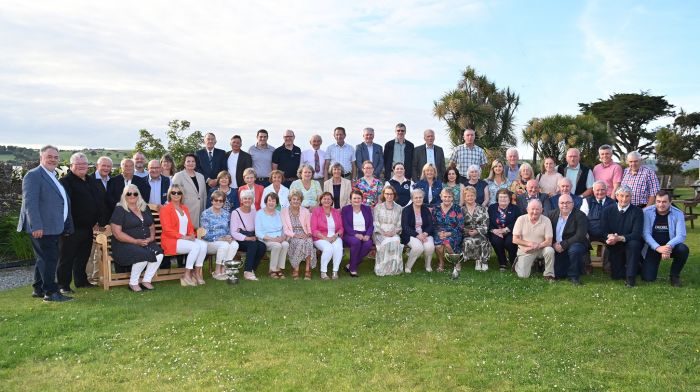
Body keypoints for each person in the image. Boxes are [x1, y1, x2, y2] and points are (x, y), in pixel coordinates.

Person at [18, 145, 74, 302]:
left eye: (56, 157)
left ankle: (39, 289)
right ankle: (51, 293)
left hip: (53, 226)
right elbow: (30, 203)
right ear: (41, 157)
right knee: (49, 259)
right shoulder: (34, 175)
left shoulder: (51, 175)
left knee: (43, 258)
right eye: (49, 156)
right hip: (42, 227)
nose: (53, 160)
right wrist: (36, 225)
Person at [58, 152, 106, 292]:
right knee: (67, 258)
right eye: (78, 164)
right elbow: (64, 206)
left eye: (84, 164)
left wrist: (99, 220)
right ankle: (63, 285)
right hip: (71, 228)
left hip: (88, 227)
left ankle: (81, 281)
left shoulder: (90, 180)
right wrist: (67, 226)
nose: (82, 167)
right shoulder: (65, 182)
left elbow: (99, 201)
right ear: (71, 165)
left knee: (83, 256)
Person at [109, 184, 164, 292]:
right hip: (124, 244)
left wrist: (151, 237)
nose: (132, 195)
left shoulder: (144, 208)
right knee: (142, 255)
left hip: (145, 242)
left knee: (159, 254)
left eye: (135, 193)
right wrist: (135, 241)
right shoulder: (120, 209)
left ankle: (146, 280)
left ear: (138, 195)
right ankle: (133, 283)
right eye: (129, 193)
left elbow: (152, 226)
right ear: (124, 195)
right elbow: (117, 234)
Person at [160, 184, 208, 286]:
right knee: (195, 247)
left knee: (204, 245)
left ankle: (197, 273)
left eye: (179, 193)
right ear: (169, 194)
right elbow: (167, 229)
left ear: (182, 195)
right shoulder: (165, 209)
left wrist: (191, 235)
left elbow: (189, 226)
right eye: (173, 192)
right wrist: (184, 237)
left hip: (185, 239)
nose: (176, 195)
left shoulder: (184, 208)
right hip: (172, 241)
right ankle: (187, 275)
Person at [642, 191, 688, 287]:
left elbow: (681, 235)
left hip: (671, 247)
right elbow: (645, 234)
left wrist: (668, 246)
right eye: (658, 201)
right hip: (653, 248)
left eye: (664, 202)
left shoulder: (678, 214)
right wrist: (658, 247)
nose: (660, 204)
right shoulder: (646, 212)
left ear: (670, 202)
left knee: (683, 249)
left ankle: (674, 275)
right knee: (648, 278)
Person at [601, 185, 644, 287]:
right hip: (614, 244)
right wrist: (610, 237)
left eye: (627, 196)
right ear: (616, 196)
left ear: (631, 197)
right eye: (621, 196)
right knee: (617, 276)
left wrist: (620, 238)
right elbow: (603, 230)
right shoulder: (607, 210)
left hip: (630, 242)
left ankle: (630, 278)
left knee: (634, 245)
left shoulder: (638, 212)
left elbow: (637, 233)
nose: (624, 199)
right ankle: (636, 267)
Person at [546, 194, 589, 285]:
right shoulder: (551, 214)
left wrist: (563, 244)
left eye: (568, 203)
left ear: (573, 204)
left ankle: (574, 276)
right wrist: (553, 244)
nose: (565, 205)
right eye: (562, 203)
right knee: (558, 274)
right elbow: (546, 232)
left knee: (575, 250)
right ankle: (570, 269)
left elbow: (580, 235)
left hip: (574, 243)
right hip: (556, 245)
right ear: (558, 204)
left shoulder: (580, 215)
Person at [200, 190, 239, 281]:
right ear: (212, 201)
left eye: (221, 201)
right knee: (224, 245)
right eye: (216, 200)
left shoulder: (226, 214)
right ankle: (217, 271)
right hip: (209, 242)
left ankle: (225, 269)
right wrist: (220, 238)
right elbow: (204, 234)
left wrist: (229, 237)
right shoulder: (206, 214)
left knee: (235, 244)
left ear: (223, 202)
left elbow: (228, 230)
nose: (218, 202)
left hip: (223, 240)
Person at [512, 199, 555, 279]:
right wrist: (530, 244)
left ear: (542, 210)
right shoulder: (521, 219)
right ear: (527, 209)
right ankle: (517, 264)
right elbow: (515, 239)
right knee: (523, 276)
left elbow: (549, 241)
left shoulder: (546, 220)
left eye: (537, 209)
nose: (535, 212)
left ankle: (549, 274)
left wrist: (537, 246)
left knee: (550, 250)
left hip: (541, 248)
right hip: (526, 249)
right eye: (532, 209)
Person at [230, 190, 266, 281]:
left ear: (252, 200)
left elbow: (258, 226)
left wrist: (256, 235)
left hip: (252, 237)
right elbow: (233, 232)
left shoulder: (255, 212)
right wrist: (247, 238)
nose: (247, 200)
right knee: (253, 244)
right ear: (241, 200)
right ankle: (247, 271)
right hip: (240, 239)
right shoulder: (235, 213)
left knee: (262, 246)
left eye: (249, 198)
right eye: (245, 198)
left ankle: (252, 268)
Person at [281, 190, 316, 280]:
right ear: (290, 200)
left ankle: (307, 269)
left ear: (301, 201)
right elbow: (285, 229)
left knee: (308, 242)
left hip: (304, 233)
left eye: (298, 199)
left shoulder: (305, 211)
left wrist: (308, 234)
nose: (296, 201)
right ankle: (296, 268)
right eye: (294, 199)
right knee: (300, 242)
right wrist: (296, 235)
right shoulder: (284, 212)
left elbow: (309, 225)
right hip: (291, 235)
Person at [311, 192, 344, 280]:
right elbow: (313, 229)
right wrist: (326, 238)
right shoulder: (316, 211)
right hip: (320, 237)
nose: (326, 200)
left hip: (334, 236)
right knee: (328, 248)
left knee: (338, 248)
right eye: (324, 198)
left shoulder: (336, 212)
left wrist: (336, 236)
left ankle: (335, 271)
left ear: (332, 201)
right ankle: (323, 272)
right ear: (321, 200)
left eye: (329, 199)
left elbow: (341, 227)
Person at [255, 192, 289, 279]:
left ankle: (279, 268)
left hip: (278, 238)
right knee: (277, 246)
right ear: (266, 202)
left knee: (285, 244)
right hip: (266, 239)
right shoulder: (259, 213)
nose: (271, 202)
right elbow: (258, 232)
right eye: (269, 200)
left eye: (273, 201)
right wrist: (273, 239)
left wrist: (282, 237)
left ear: (276, 203)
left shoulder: (279, 213)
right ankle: (272, 270)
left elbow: (283, 229)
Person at [400, 189, 435, 273]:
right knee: (418, 248)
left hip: (425, 233)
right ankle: (408, 266)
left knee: (429, 247)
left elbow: (430, 225)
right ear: (412, 199)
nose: (418, 199)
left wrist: (425, 233)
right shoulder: (406, 210)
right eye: (416, 198)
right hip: (410, 234)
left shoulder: (426, 210)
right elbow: (405, 226)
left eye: (420, 197)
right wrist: (417, 235)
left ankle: (427, 265)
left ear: (423, 198)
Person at [341, 190, 374, 277]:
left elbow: (371, 224)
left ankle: (351, 264)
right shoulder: (345, 209)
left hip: (365, 234)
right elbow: (345, 225)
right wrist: (355, 234)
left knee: (368, 244)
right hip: (350, 234)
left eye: (359, 198)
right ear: (350, 200)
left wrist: (368, 235)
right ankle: (353, 269)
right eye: (354, 198)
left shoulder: (367, 209)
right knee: (356, 242)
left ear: (362, 199)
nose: (356, 200)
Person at [372, 186, 403, 276]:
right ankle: (383, 269)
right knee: (386, 241)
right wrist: (383, 233)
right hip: (380, 232)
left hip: (394, 232)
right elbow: (376, 223)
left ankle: (393, 268)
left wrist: (393, 232)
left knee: (396, 240)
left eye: (391, 194)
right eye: (387, 194)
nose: (389, 196)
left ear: (394, 195)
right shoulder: (378, 207)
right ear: (384, 195)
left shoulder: (399, 208)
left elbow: (399, 224)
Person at [432, 188, 464, 274]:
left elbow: (461, 225)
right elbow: (432, 224)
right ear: (441, 197)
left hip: (454, 232)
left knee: (447, 243)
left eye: (449, 197)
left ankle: (456, 262)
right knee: (438, 246)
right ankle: (441, 263)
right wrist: (439, 233)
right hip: (439, 233)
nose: (447, 199)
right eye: (445, 196)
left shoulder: (457, 208)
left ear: (453, 197)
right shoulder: (436, 208)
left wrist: (449, 233)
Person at [171, 153, 207, 228]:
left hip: (200, 211)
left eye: (193, 161)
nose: (191, 163)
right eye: (188, 161)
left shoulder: (201, 176)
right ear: (184, 163)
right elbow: (173, 195)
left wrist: (204, 210)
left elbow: (204, 195)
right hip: (185, 211)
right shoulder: (178, 176)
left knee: (198, 236)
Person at [488, 189, 520, 272]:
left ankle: (513, 260)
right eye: (501, 197)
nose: (503, 199)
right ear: (497, 198)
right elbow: (488, 221)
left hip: (510, 231)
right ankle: (502, 262)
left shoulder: (515, 208)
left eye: (505, 197)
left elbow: (517, 221)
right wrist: (493, 230)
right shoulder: (492, 208)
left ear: (509, 199)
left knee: (510, 242)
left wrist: (506, 229)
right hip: (496, 231)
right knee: (496, 241)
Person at [461, 186, 491, 271]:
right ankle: (477, 260)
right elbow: (459, 225)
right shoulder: (461, 210)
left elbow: (486, 225)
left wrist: (477, 231)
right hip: (467, 234)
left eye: (472, 195)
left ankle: (484, 261)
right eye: (468, 196)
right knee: (468, 241)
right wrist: (467, 231)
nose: (470, 197)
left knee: (482, 240)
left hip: (480, 233)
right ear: (465, 197)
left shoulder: (482, 208)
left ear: (475, 196)